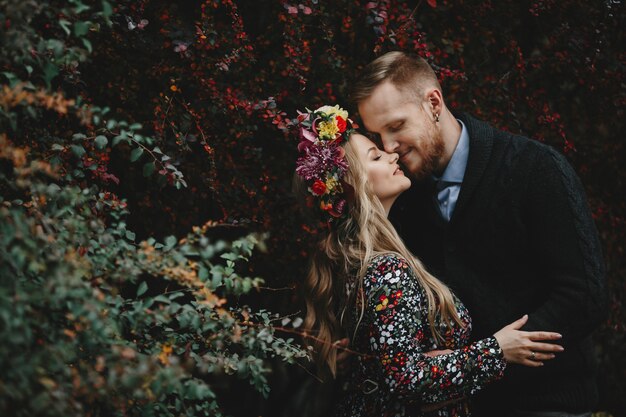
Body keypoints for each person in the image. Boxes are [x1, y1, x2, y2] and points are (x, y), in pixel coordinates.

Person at [352, 51, 607, 417]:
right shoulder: (404, 198)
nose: (389, 146)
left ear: (433, 103)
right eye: (377, 135)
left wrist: (485, 360)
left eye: (396, 126)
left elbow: (584, 295)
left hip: (548, 404)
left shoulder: (534, 169)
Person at [293, 104, 563, 417]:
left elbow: (387, 364)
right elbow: (405, 377)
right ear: (352, 186)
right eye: (376, 157)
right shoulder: (385, 269)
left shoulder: (349, 258)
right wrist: (497, 350)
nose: (392, 154)